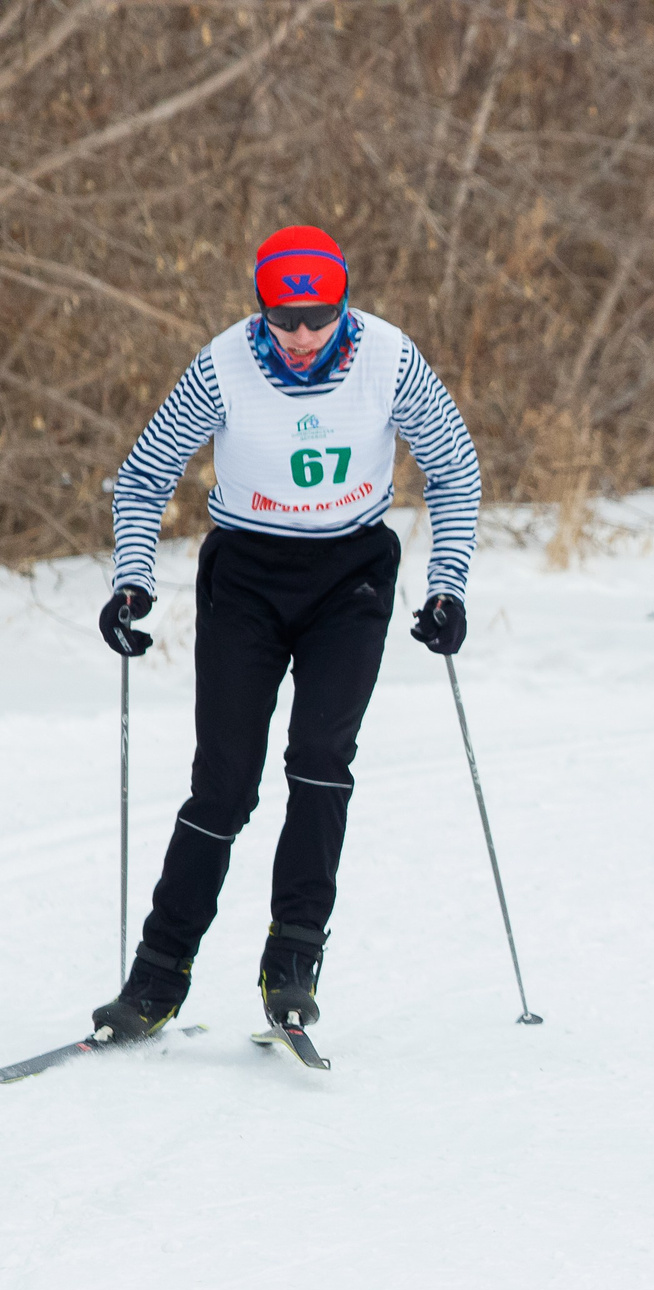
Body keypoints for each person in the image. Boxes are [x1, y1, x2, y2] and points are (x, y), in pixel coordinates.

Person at [93, 225, 482, 1041]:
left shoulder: (389, 359)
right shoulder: (224, 365)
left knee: (319, 758)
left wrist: (447, 587)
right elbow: (142, 477)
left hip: (353, 576)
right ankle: (157, 977)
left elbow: (454, 470)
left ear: (343, 301)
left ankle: (293, 960)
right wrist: (133, 580)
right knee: (225, 783)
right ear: (261, 305)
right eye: (285, 315)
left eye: (320, 315)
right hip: (247, 578)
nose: (303, 334)